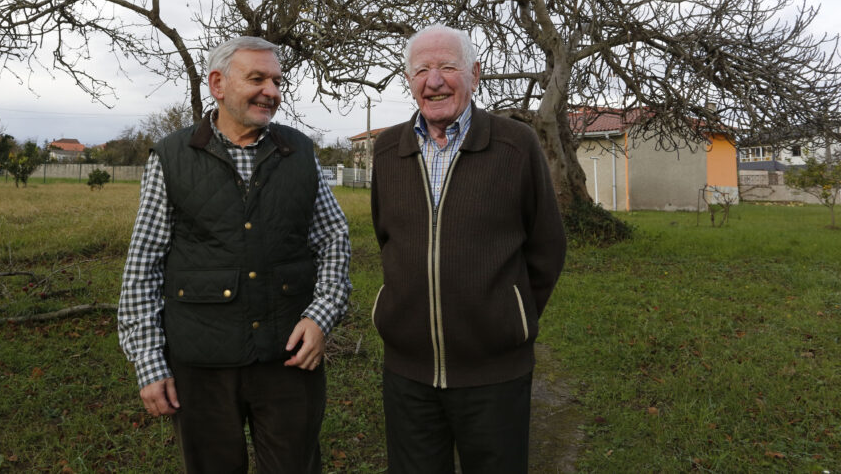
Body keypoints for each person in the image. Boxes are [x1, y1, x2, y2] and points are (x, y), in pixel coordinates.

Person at [118, 36, 352, 474]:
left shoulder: (299, 152)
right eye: (258, 78)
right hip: (200, 362)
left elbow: (334, 239)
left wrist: (321, 316)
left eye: (277, 81)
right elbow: (143, 263)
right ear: (218, 84)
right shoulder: (172, 156)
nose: (272, 91)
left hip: (288, 356)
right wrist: (149, 362)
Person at [370, 24, 566, 474]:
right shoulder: (386, 151)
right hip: (407, 373)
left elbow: (547, 247)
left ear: (475, 74)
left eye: (447, 67)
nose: (433, 80)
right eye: (421, 69)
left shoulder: (516, 145)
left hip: (495, 375)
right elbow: (386, 236)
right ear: (409, 80)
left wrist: (506, 315)